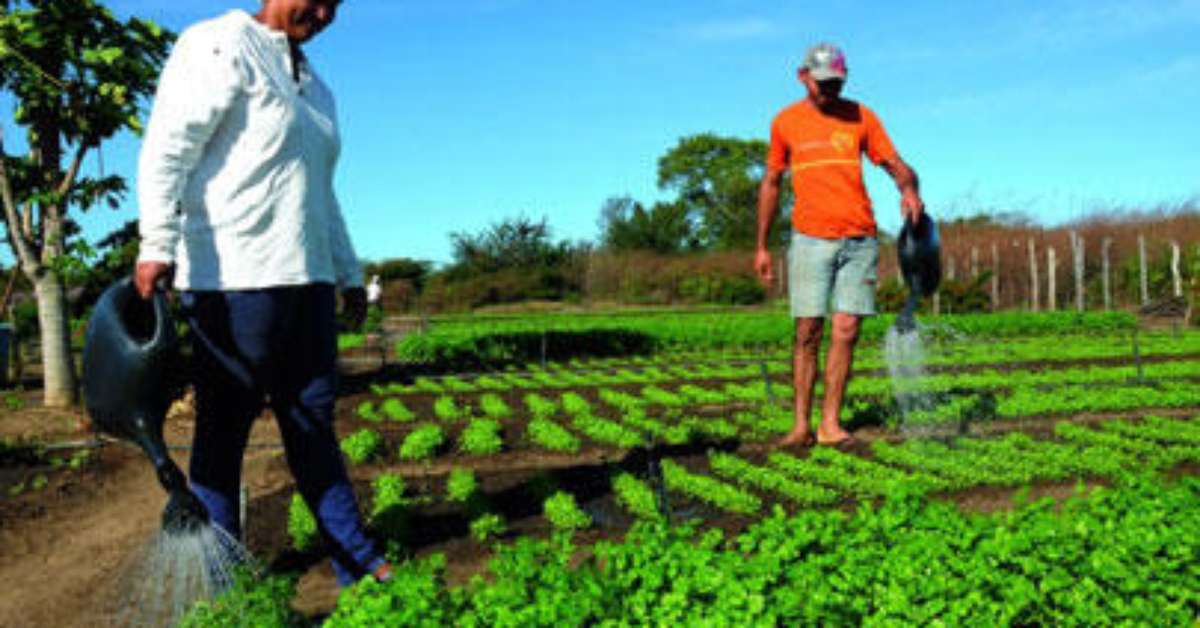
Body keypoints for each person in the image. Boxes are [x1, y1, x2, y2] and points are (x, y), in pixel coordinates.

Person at [134, 0, 391, 585]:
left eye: (336, 5)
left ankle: (357, 564)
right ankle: (227, 586)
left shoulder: (318, 90)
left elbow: (321, 195)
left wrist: (347, 273)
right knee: (224, 438)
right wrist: (157, 244)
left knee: (315, 430)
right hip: (235, 282)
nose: (324, 13)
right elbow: (168, 149)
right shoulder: (219, 44)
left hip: (309, 286)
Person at [755, 43, 924, 448]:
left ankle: (830, 424)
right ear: (803, 77)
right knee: (808, 330)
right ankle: (800, 425)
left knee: (846, 329)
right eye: (822, 83)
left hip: (859, 237)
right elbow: (772, 184)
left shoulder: (861, 116)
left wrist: (910, 189)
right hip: (810, 238)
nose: (829, 90)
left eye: (836, 83)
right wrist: (761, 245)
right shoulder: (785, 123)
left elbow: (896, 164)